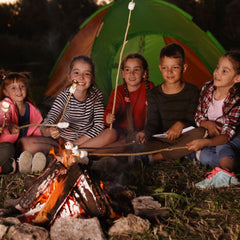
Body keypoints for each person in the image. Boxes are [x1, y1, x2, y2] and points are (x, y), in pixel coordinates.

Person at [19, 55, 105, 160]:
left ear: (92, 79)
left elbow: (99, 126)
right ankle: (70, 155)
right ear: (69, 76)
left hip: (85, 141)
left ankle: (73, 154)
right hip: (62, 142)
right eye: (76, 73)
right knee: (25, 143)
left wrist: (74, 144)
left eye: (87, 74)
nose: (81, 77)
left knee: (111, 134)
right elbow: (50, 118)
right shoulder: (64, 96)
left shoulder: (96, 96)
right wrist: (48, 131)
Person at [135, 43, 205, 163]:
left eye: (175, 67)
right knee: (138, 144)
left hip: (185, 137)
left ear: (184, 68)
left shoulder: (193, 91)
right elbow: (153, 124)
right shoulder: (153, 94)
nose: (169, 72)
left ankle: (157, 157)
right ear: (160, 68)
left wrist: (180, 124)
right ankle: (181, 154)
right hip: (163, 140)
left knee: (201, 132)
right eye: (165, 68)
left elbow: (194, 119)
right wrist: (144, 133)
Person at [78, 52, 154, 154]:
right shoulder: (118, 92)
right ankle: (77, 150)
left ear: (144, 73)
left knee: (125, 145)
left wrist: (145, 132)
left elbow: (154, 115)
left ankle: (90, 155)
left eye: (136, 70)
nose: (131, 74)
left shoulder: (149, 88)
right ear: (122, 73)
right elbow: (109, 112)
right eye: (127, 70)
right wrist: (108, 118)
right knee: (110, 133)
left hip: (139, 134)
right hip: (119, 131)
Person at [187, 49, 240, 188]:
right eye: (218, 67)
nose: (217, 73)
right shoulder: (207, 88)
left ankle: (226, 174)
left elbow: (227, 136)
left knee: (223, 146)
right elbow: (198, 116)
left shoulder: (236, 100)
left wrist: (206, 142)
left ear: (237, 78)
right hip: (213, 137)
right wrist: (207, 124)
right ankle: (232, 161)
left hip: (233, 138)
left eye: (225, 71)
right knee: (205, 157)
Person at [0, 70, 45, 174]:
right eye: (13, 88)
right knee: (8, 148)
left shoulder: (32, 110)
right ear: (6, 92)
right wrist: (9, 127)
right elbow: (2, 119)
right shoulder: (4, 106)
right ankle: (11, 166)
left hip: (21, 149)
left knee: (43, 144)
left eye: (22, 86)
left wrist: (46, 133)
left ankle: (18, 166)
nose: (19, 90)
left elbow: (38, 131)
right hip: (6, 146)